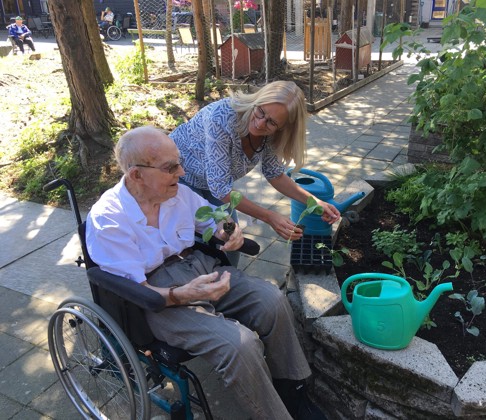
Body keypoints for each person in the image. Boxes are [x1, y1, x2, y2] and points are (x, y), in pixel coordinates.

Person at [86, 126, 326, 420]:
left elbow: (218, 222)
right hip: (156, 297)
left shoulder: (178, 194)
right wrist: (181, 295)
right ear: (136, 174)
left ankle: (292, 390)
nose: (183, 173)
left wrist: (231, 232)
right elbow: (137, 291)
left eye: (179, 162)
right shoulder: (108, 220)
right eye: (171, 167)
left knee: (273, 300)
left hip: (199, 267)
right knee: (240, 345)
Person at [169, 81, 341, 258]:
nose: (260, 124)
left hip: (212, 184)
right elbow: (220, 188)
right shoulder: (221, 117)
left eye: (271, 122)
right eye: (260, 112)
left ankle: (227, 282)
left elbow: (275, 174)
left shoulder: (273, 135)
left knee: (232, 245)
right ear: (256, 101)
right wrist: (269, 217)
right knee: (194, 245)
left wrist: (315, 202)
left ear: (283, 128)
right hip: (177, 178)